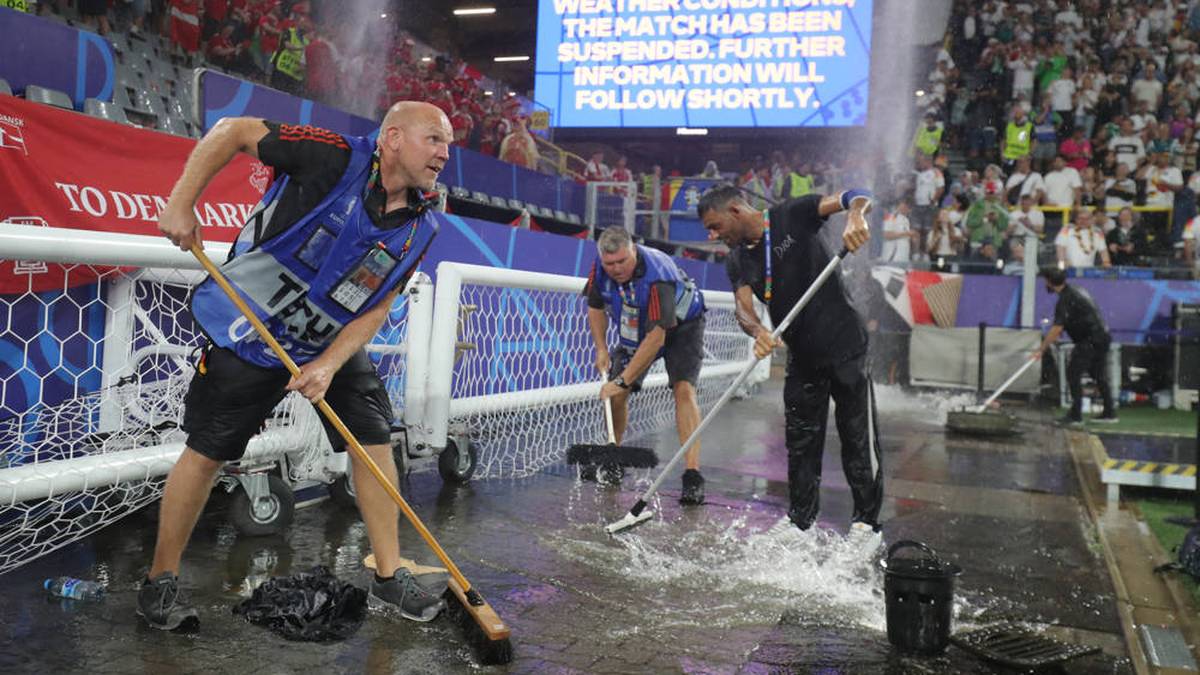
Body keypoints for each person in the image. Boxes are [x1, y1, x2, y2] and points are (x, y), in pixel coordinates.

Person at [145, 102, 453, 631]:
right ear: (394, 138)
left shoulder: (422, 224)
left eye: (448, 144)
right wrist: (181, 203)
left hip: (329, 339)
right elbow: (232, 131)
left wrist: (331, 364)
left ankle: (387, 572)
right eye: (434, 139)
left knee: (373, 438)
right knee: (207, 452)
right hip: (249, 330)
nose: (445, 154)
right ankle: (159, 584)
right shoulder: (331, 156)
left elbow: (377, 306)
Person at [697, 184, 882, 550]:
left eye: (716, 226)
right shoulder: (737, 259)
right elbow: (743, 307)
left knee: (857, 436)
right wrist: (757, 330)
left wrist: (856, 215)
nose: (712, 236)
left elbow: (855, 195)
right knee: (800, 442)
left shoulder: (791, 215)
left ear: (736, 210)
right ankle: (800, 522)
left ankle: (867, 525)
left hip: (845, 345)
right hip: (802, 355)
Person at [584, 227, 708, 504]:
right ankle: (613, 456)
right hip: (638, 321)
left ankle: (692, 475)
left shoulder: (658, 275)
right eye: (610, 264)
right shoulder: (600, 269)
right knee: (616, 395)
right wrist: (601, 348)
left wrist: (622, 381)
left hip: (682, 325)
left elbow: (656, 338)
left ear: (634, 251)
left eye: (622, 262)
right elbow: (595, 307)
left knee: (684, 390)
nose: (616, 269)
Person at [1034, 267, 1117, 425]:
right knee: (1099, 375)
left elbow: (1057, 327)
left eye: (1045, 281)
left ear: (1050, 282)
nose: (1045, 284)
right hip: (1102, 336)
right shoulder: (1076, 290)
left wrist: (1041, 349)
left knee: (1073, 374)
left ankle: (1075, 415)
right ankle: (1109, 412)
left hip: (1090, 340)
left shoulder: (1064, 299)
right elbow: (1078, 316)